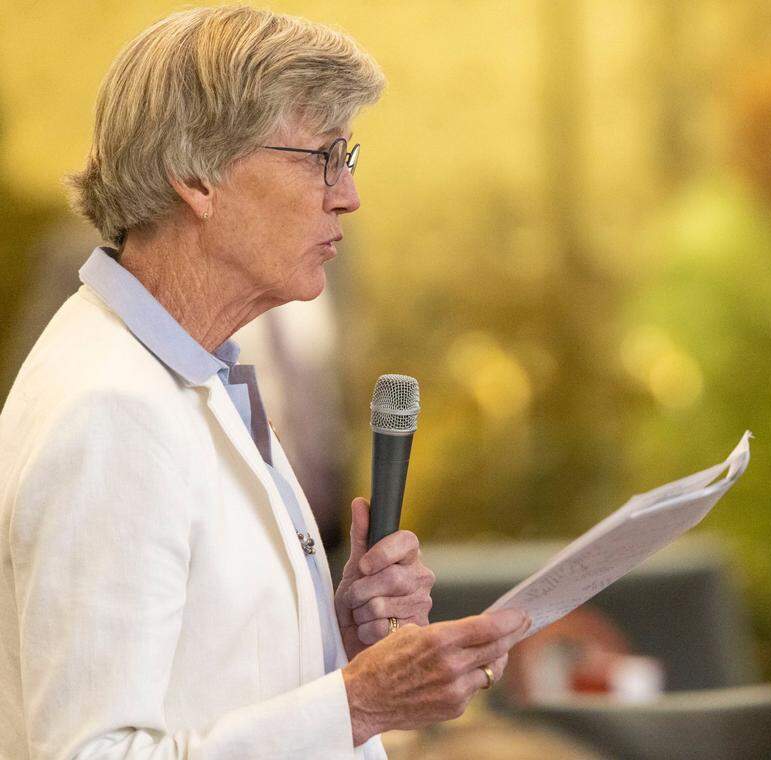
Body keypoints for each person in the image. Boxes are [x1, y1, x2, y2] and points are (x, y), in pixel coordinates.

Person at [0, 7, 530, 758]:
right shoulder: (110, 410)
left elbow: (205, 677)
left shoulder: (190, 362)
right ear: (195, 178)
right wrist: (356, 704)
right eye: (319, 158)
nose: (347, 194)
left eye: (348, 157)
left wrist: (331, 638)